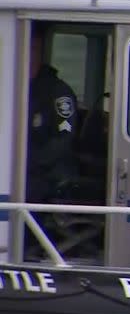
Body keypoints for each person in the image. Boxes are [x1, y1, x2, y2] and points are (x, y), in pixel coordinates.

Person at [27, 22, 79, 204]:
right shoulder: (18, 86)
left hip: (51, 176)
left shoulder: (58, 93)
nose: (28, 55)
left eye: (33, 49)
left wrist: (29, 162)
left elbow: (63, 137)